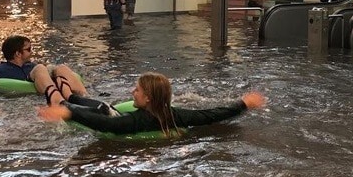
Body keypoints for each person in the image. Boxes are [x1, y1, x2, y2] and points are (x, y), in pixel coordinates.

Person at [37, 71, 266, 137]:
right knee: (77, 97)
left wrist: (68, 114)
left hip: (102, 113)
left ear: (147, 98)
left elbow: (108, 125)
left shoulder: (137, 121)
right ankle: (64, 86)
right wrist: (243, 103)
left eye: (136, 90)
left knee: (64, 99)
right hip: (106, 111)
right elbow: (210, 115)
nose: (131, 92)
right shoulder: (175, 114)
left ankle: (55, 84)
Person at [0, 34, 88, 97]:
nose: (31, 52)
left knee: (60, 67)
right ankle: (57, 99)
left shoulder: (31, 66)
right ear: (18, 53)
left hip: (41, 81)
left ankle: (85, 96)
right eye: (28, 49)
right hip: (31, 93)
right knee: (40, 68)